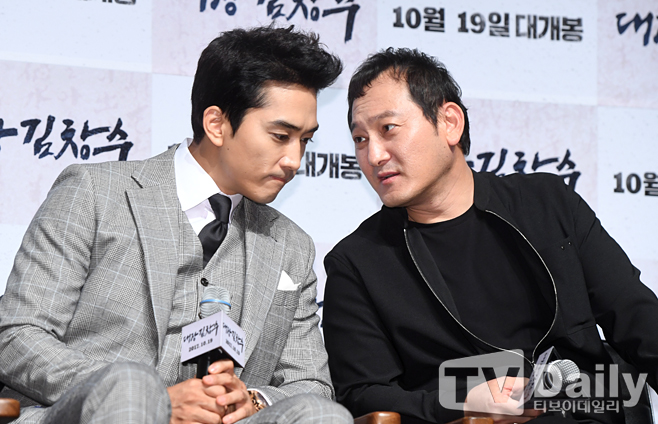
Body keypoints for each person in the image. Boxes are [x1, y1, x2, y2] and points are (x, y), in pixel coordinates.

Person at [0, 26, 352, 424]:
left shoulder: (291, 245)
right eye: (280, 136)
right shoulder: (95, 193)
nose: (294, 160)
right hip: (93, 413)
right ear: (216, 124)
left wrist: (252, 399)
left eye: (305, 140)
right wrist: (151, 399)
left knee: (320, 415)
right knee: (130, 385)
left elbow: (310, 384)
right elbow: (17, 336)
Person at [322, 47, 658, 424]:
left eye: (387, 129)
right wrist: (461, 403)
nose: (374, 155)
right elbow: (363, 393)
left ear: (450, 122)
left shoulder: (546, 203)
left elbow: (636, 319)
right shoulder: (357, 262)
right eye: (360, 139)